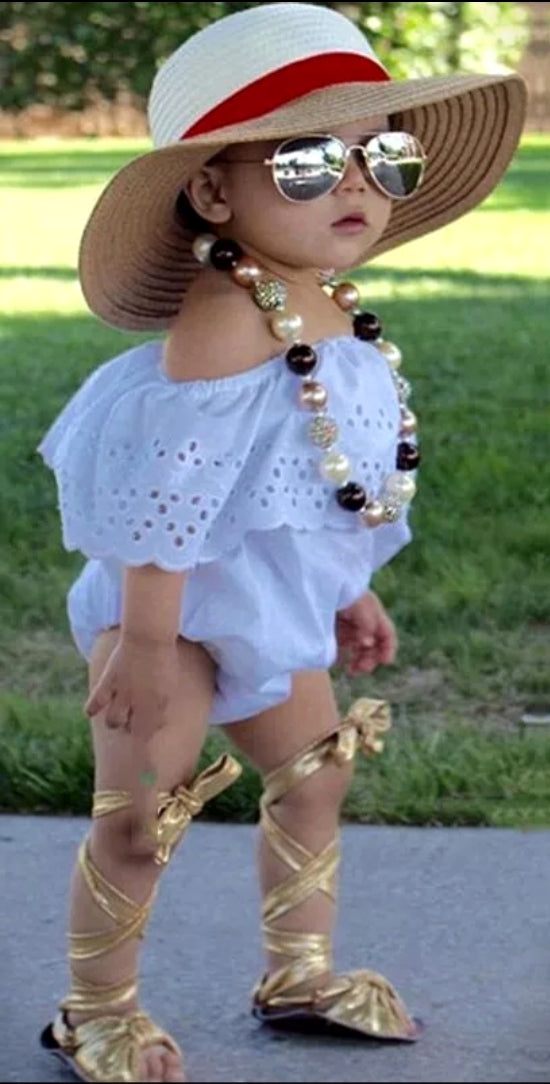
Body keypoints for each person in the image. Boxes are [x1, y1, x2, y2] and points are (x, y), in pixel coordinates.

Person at [37, 3, 526, 1081]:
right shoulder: (225, 319)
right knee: (138, 819)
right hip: (172, 615)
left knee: (311, 777)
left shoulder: (331, 311)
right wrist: (148, 641)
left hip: (264, 600)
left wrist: (345, 589)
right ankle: (96, 1006)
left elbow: (312, 482)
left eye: (379, 156)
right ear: (214, 190)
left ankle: (297, 970)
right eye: (306, 161)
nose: (353, 184)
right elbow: (169, 493)